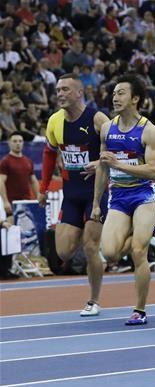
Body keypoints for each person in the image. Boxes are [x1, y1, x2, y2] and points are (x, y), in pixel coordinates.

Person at [87, 74, 155, 326]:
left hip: (144, 194)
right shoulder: (107, 129)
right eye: (114, 93)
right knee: (109, 253)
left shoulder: (149, 131)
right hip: (118, 196)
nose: (115, 98)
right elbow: (103, 167)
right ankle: (148, 232)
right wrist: (96, 202)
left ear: (135, 98)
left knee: (139, 251)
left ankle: (139, 310)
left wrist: (118, 164)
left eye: (121, 93)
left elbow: (152, 170)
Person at [37, 74, 110, 316]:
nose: (60, 94)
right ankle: (101, 245)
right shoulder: (54, 121)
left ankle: (93, 300)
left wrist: (100, 162)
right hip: (71, 195)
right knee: (64, 252)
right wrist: (43, 188)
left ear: (80, 93)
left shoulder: (98, 119)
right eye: (58, 90)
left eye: (66, 89)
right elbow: (49, 155)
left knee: (90, 247)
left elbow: (121, 150)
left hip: (96, 194)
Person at [0, 134, 40, 215]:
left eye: (20, 141)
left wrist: (38, 197)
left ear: (23, 143)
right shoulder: (5, 162)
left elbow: (33, 181)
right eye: (15, 141)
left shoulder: (28, 161)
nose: (18, 143)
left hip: (26, 202)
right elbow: (1, 181)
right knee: (11, 223)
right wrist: (5, 201)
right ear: (9, 143)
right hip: (11, 203)